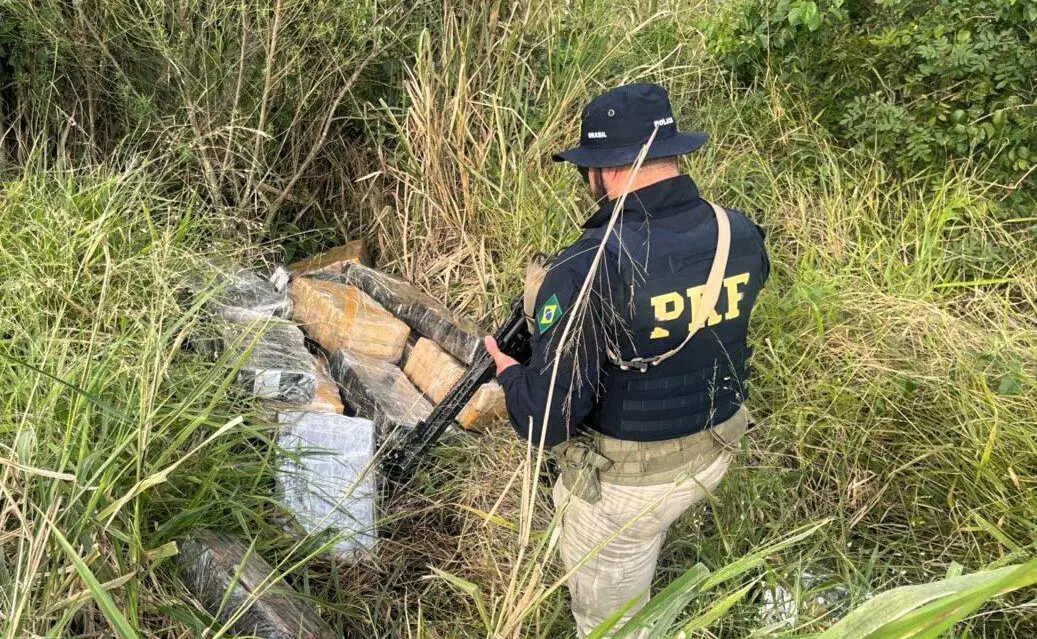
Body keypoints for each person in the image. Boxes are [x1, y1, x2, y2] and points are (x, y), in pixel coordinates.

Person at [483, 83, 770, 637]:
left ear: (604, 170)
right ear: (674, 155)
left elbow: (548, 419)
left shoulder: (586, 267)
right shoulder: (740, 231)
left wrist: (510, 373)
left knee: (611, 626)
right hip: (719, 449)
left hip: (629, 491)